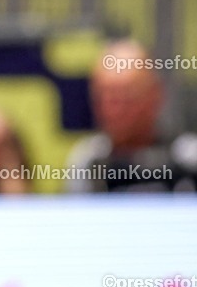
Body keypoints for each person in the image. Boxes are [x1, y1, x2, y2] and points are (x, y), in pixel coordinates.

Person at [66, 39, 197, 193]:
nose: (114, 110)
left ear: (154, 95)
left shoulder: (188, 159)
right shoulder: (87, 162)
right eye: (105, 97)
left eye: (126, 97)